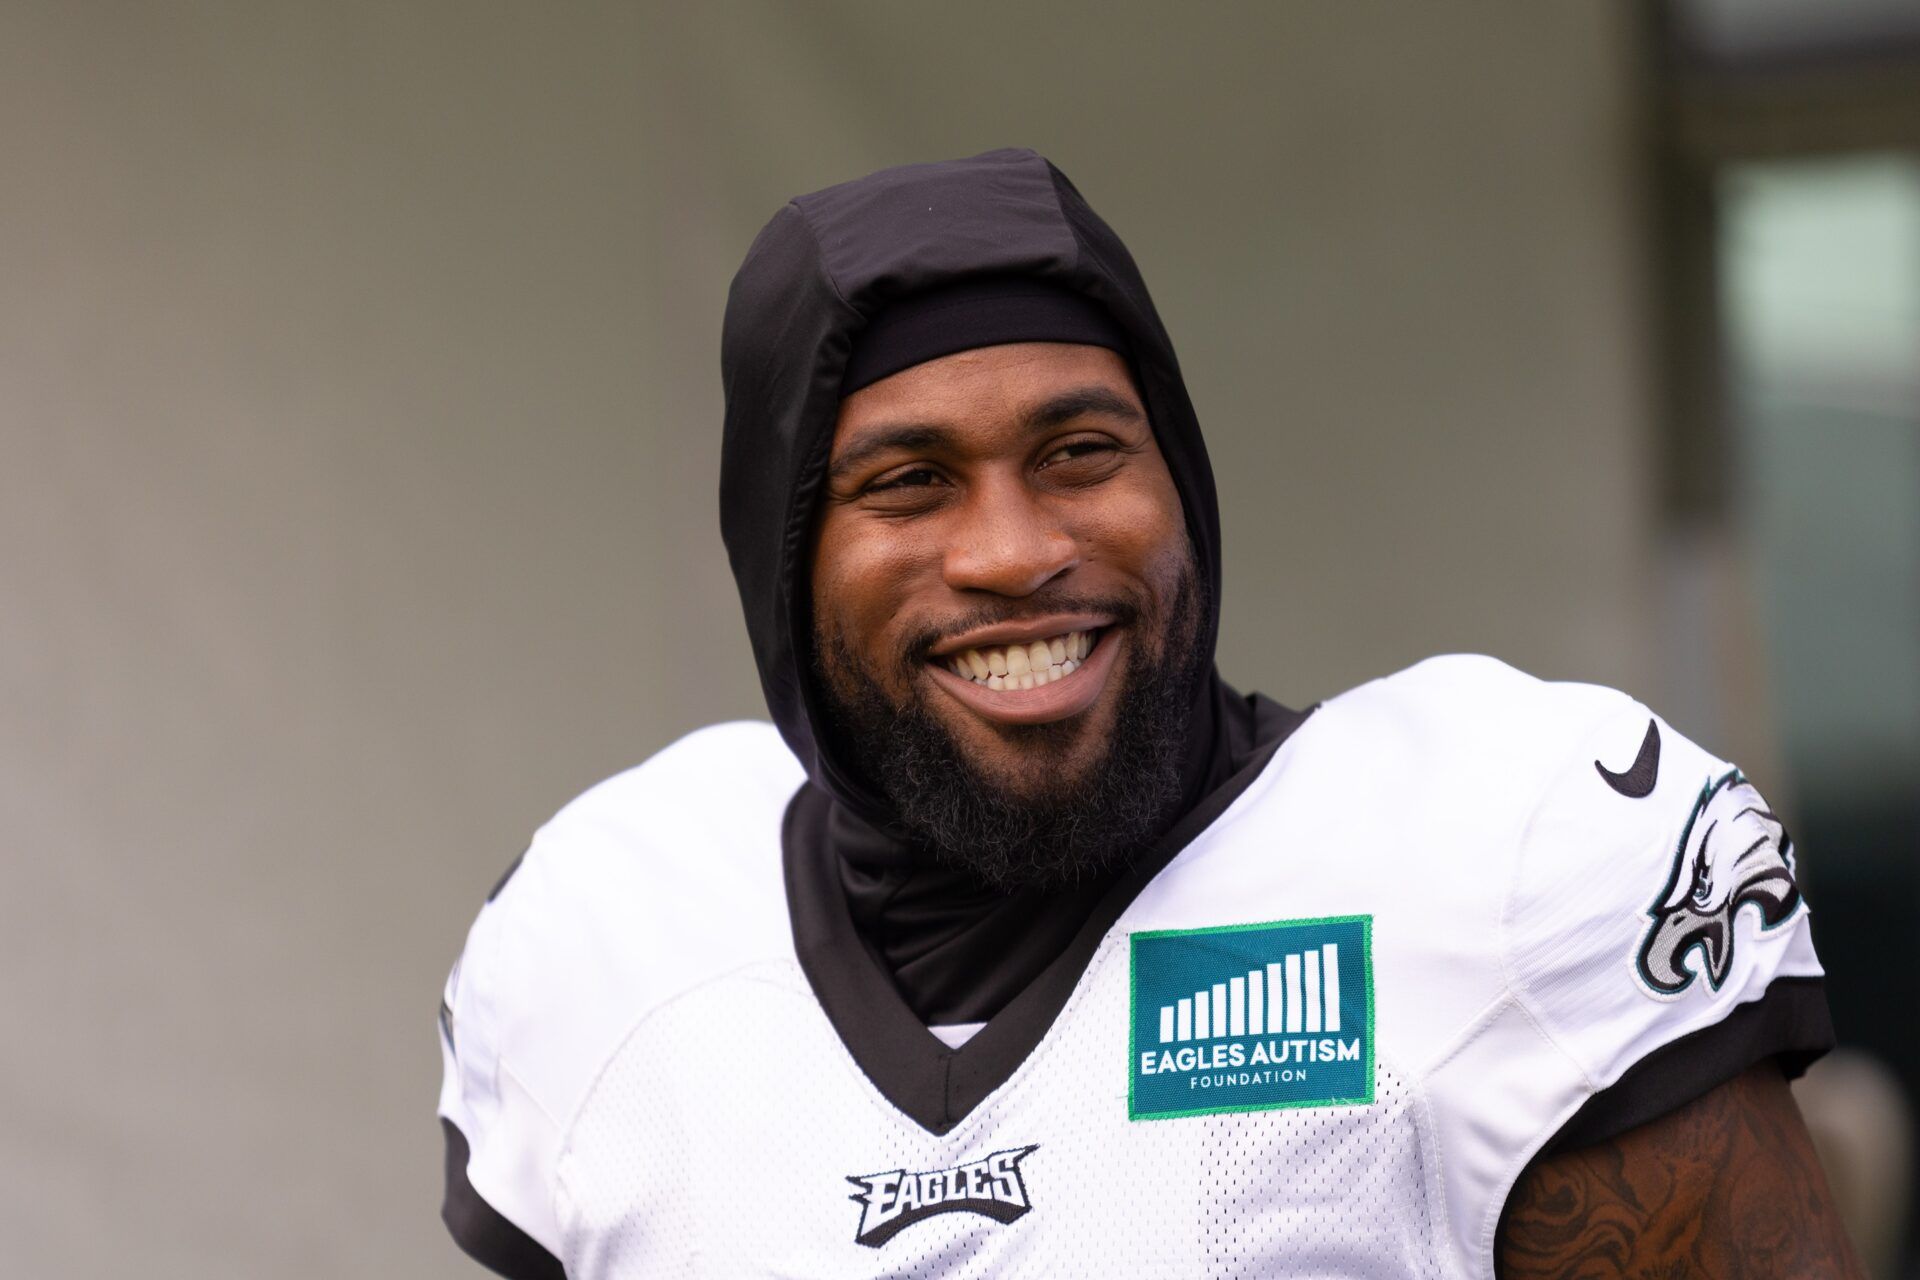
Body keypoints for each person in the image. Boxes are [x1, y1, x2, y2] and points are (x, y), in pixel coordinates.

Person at [436, 149, 1859, 1278]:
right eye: (909, 481)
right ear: (777, 553)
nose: (1012, 549)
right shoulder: (612, 934)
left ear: (1179, 476)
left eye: (1080, 452)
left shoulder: (1488, 861)